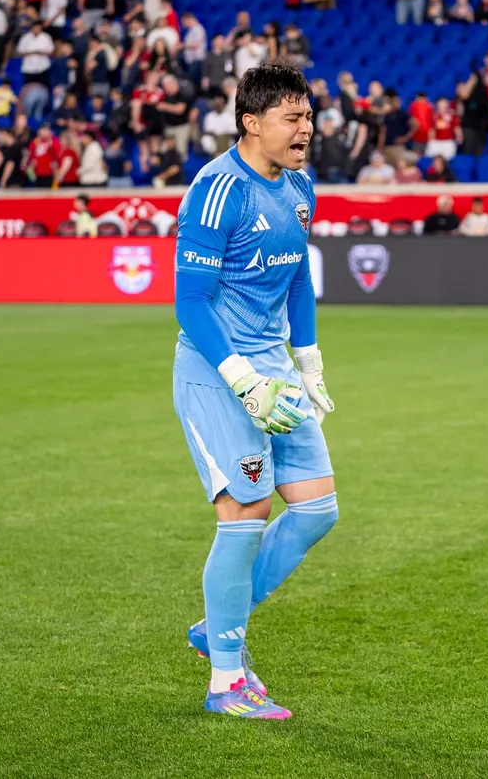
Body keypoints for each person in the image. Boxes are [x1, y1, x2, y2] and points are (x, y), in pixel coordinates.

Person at [172, 63, 335, 722]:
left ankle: (218, 623)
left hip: (277, 372)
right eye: (292, 118)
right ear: (252, 122)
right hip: (218, 373)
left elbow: (297, 278)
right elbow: (191, 301)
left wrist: (310, 362)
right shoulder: (218, 191)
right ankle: (225, 681)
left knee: (317, 509)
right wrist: (244, 382)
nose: (306, 129)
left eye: (308, 116)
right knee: (245, 516)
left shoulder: (301, 185)